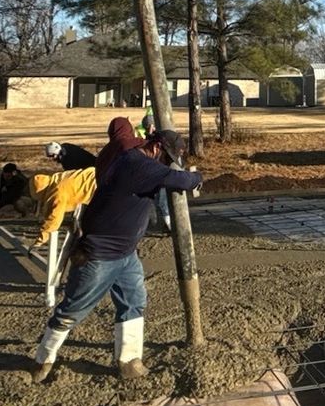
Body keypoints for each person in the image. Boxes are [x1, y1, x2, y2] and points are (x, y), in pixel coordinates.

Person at [29, 116, 202, 382]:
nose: (166, 164)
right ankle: (44, 359)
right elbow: (181, 181)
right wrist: (196, 177)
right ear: (156, 148)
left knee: (134, 302)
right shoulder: (137, 165)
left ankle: (129, 360)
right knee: (72, 309)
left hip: (126, 254)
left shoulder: (137, 158)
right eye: (166, 159)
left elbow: (169, 176)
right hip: (99, 254)